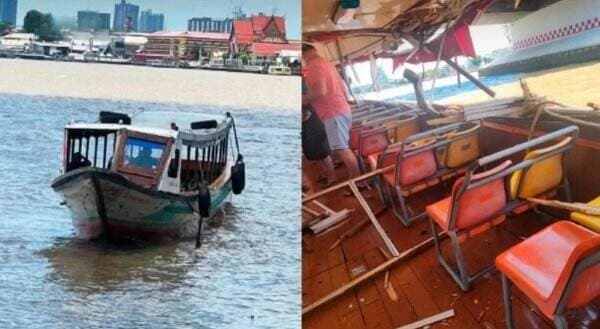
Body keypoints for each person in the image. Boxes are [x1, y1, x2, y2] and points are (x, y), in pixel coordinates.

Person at [302, 43, 362, 189]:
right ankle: (357, 180)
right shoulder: (326, 63)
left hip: (332, 113)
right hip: (341, 109)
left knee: (342, 149)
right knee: (342, 148)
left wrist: (302, 100)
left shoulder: (313, 65)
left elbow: (320, 91)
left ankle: (357, 183)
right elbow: (341, 87)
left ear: (303, 54)